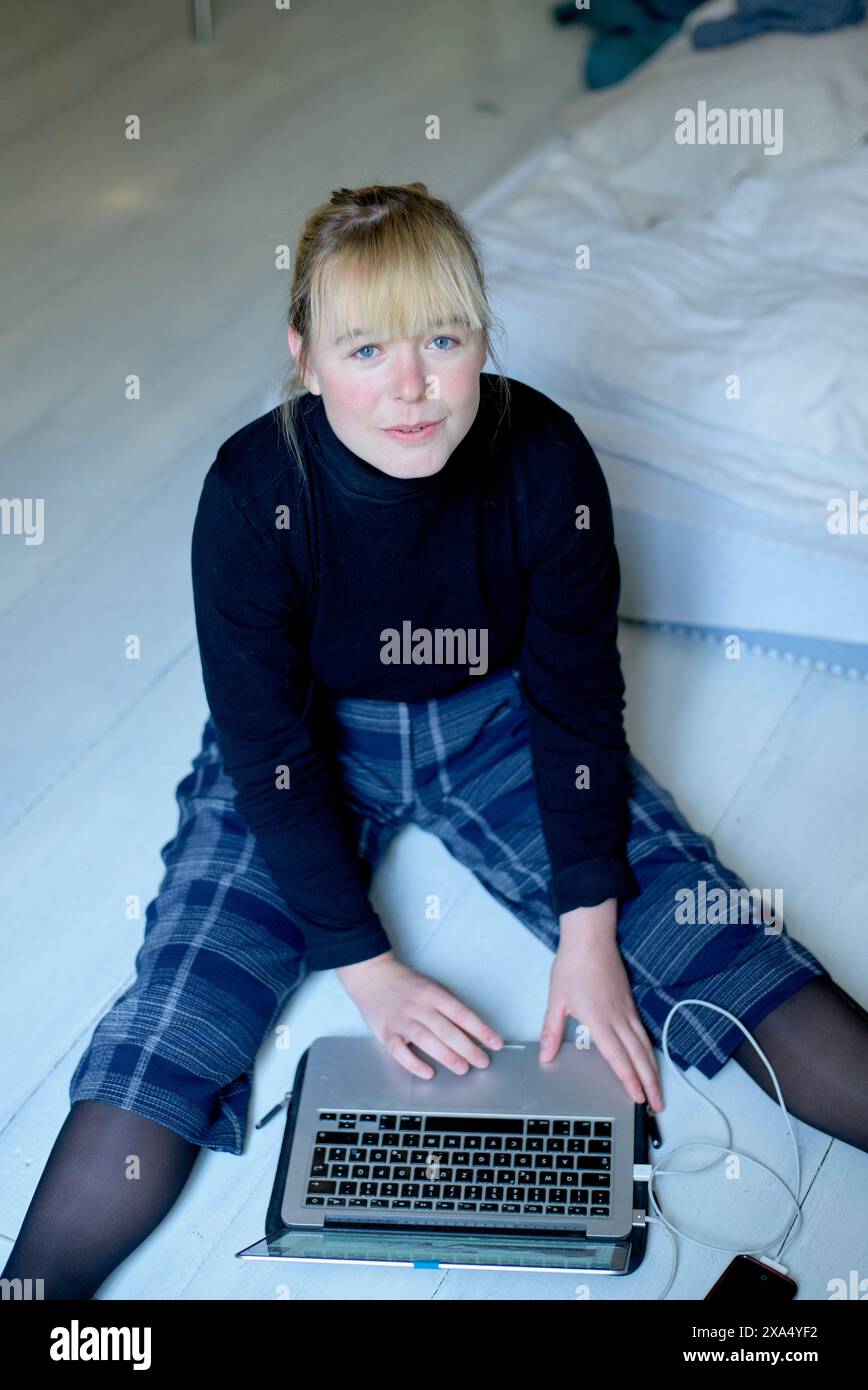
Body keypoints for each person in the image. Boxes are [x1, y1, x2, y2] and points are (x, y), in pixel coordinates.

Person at [4, 181, 868, 1303]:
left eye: (442, 339)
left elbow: (574, 700)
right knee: (183, 1008)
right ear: (304, 357)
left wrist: (589, 924)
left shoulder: (544, 461)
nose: (409, 386)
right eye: (365, 348)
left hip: (499, 715)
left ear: (480, 341)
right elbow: (263, 745)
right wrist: (367, 971)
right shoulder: (252, 492)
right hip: (307, 739)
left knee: (708, 939)